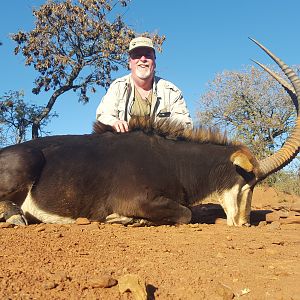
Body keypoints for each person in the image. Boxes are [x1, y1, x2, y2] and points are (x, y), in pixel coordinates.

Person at [96, 36, 193, 132]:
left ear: (154, 63)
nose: (143, 59)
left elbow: (185, 123)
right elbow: (103, 116)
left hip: (160, 145)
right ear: (130, 63)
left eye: (148, 55)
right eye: (137, 55)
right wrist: (114, 122)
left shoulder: (171, 92)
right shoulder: (118, 87)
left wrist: (164, 129)